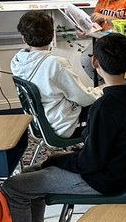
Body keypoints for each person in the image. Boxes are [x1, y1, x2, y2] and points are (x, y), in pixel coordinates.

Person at [2, 33, 126, 222]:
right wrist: (58, 160)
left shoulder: (105, 107)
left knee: (13, 187)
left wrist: (57, 159)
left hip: (102, 179)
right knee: (29, 175)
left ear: (94, 63)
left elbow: (90, 162)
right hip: (118, 171)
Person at [11, 9, 99, 137]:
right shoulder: (55, 64)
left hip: (39, 123)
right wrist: (100, 91)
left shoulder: (17, 61)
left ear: (23, 38)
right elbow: (84, 99)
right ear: (52, 35)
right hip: (62, 124)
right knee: (105, 105)